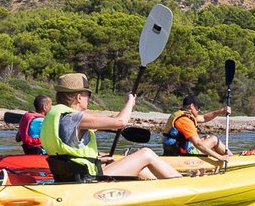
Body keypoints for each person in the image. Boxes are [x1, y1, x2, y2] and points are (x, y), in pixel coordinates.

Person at [38, 72, 183, 183]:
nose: (89, 98)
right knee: (146, 154)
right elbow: (120, 122)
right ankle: (183, 185)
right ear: (79, 97)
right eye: (88, 94)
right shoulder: (76, 118)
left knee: (141, 170)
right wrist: (130, 102)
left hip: (70, 178)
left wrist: (97, 160)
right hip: (87, 181)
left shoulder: (55, 115)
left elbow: (69, 154)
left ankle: (164, 191)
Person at [162, 94, 231, 159]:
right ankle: (231, 158)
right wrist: (219, 157)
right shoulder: (185, 121)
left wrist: (220, 111)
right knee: (214, 139)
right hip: (182, 154)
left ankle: (218, 161)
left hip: (175, 150)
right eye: (198, 107)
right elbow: (198, 144)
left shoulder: (180, 115)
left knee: (207, 137)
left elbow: (204, 118)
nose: (199, 110)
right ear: (192, 106)